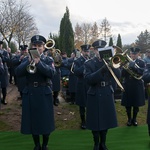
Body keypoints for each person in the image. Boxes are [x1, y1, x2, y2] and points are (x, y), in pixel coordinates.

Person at [15, 35, 56, 150]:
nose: (37, 48)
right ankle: (37, 144)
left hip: (44, 92)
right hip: (31, 92)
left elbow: (51, 74)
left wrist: (39, 63)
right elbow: (18, 73)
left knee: (45, 120)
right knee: (33, 120)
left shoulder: (48, 59)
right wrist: (27, 62)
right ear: (31, 47)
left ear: (43, 47)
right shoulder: (26, 59)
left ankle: (45, 145)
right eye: (34, 45)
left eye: (39, 46)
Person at [84, 40, 120, 150]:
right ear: (94, 51)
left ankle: (103, 143)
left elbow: (118, 75)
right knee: (95, 121)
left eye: (102, 49)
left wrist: (114, 65)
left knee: (105, 119)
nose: (99, 51)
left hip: (106, 93)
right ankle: (96, 143)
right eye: (97, 49)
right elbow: (89, 79)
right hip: (94, 92)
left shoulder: (110, 62)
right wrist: (102, 70)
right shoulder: (89, 63)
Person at [121, 47, 145, 126]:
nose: (133, 55)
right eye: (132, 54)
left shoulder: (141, 62)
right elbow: (122, 74)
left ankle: (134, 119)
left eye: (135, 54)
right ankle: (129, 119)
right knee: (128, 104)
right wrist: (124, 68)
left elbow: (142, 72)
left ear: (138, 54)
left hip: (137, 85)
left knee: (136, 103)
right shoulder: (125, 62)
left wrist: (134, 67)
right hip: (127, 84)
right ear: (130, 54)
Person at [73, 44, 91, 129]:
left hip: (89, 84)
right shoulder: (77, 61)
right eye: (85, 51)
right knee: (82, 104)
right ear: (82, 52)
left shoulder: (91, 60)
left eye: (88, 51)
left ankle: (90, 120)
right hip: (81, 84)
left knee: (90, 104)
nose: (87, 53)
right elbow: (76, 72)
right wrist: (85, 64)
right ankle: (83, 121)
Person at [0, 40, 10, 105]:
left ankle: (4, 98)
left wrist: (1, 56)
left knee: (4, 86)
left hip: (3, 70)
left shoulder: (5, 52)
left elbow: (7, 59)